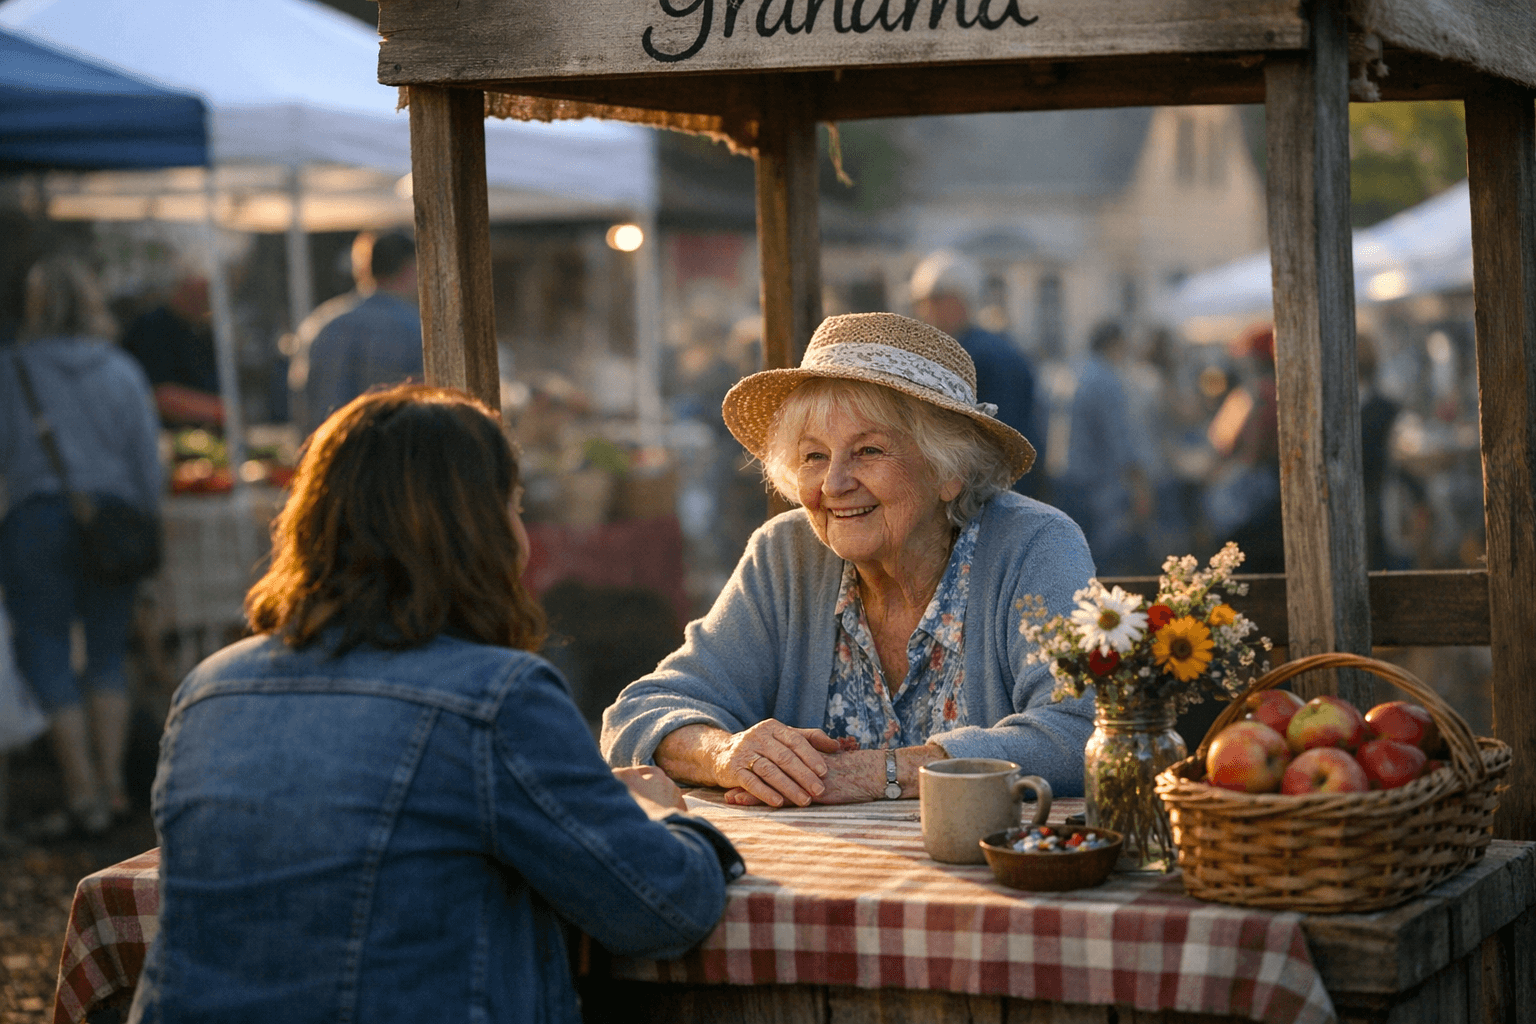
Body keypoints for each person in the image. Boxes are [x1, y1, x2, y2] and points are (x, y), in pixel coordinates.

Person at [129, 385, 741, 1024]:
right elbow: (664, 906)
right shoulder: (495, 699)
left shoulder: (207, 690)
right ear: (479, 533)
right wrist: (663, 818)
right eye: (515, 508)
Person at [602, 312, 1095, 808]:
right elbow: (639, 713)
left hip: (992, 878)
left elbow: (1083, 734)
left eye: (868, 450)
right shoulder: (786, 554)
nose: (833, 485)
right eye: (814, 456)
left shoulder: (1035, 545)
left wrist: (882, 772)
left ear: (950, 471)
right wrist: (724, 752)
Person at [0, 255, 163, 836]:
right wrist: (150, 529)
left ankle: (82, 792)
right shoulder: (121, 370)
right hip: (112, 524)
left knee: (44, 650)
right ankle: (116, 787)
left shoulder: (11, 369)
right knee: (107, 653)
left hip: (34, 522)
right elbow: (149, 466)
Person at [911, 250, 1047, 499]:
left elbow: (997, 441)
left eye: (931, 299)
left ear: (957, 299)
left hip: (991, 495)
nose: (923, 310)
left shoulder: (971, 355)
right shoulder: (994, 347)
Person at [290, 231, 423, 435]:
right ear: (408, 268)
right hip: (394, 455)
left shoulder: (322, 323)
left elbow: (300, 399)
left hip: (328, 453)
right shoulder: (417, 328)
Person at [1053, 321, 1153, 575]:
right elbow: (1118, 437)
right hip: (1098, 482)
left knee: (1071, 555)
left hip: (1065, 475)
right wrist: (1138, 481)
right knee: (1103, 559)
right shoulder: (1107, 379)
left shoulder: (1069, 373)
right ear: (1114, 344)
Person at [120, 274, 224, 426]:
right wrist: (221, 411)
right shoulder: (151, 328)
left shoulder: (203, 332)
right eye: (207, 288)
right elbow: (160, 397)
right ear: (185, 285)